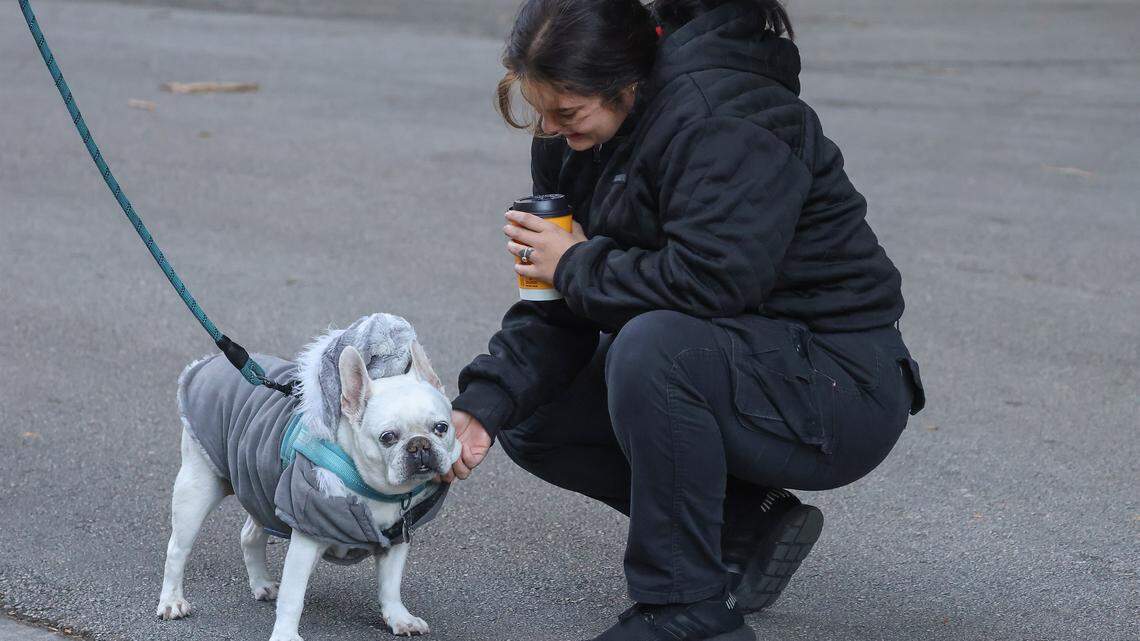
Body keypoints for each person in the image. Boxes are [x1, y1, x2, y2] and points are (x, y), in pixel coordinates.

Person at [445, 1, 926, 639]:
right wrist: (486, 399)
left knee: (655, 349)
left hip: (840, 385)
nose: (555, 130)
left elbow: (715, 280)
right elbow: (563, 302)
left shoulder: (726, 118)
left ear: (628, 82)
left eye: (569, 113)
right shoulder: (577, 139)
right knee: (531, 404)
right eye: (541, 111)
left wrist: (577, 263)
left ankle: (688, 612)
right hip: (736, 359)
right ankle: (741, 524)